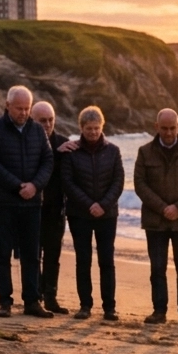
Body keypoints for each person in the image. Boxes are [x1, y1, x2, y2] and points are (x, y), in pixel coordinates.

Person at [0, 85, 55, 318]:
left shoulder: (37, 131)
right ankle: (4, 301)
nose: (23, 113)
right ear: (7, 105)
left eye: (27, 108)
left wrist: (34, 185)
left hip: (32, 202)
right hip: (3, 202)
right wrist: (18, 186)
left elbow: (48, 160)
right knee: (3, 252)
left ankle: (32, 301)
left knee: (32, 254)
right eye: (19, 108)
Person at [133, 108, 178, 326]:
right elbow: (140, 185)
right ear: (156, 127)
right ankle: (159, 311)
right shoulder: (145, 152)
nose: (169, 133)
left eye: (172, 128)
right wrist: (163, 208)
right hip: (156, 221)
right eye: (164, 128)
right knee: (157, 269)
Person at [61, 106, 124, 321]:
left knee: (107, 260)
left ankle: (109, 308)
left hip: (107, 215)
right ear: (81, 128)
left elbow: (118, 182)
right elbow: (68, 183)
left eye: (97, 128)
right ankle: (85, 305)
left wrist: (103, 205)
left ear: (102, 127)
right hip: (80, 214)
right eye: (89, 128)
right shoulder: (72, 151)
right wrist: (90, 205)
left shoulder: (113, 151)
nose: (93, 132)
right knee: (83, 260)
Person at [30, 100, 73, 315]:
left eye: (50, 120)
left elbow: (72, 178)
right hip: (31, 208)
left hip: (56, 209)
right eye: (42, 120)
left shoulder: (65, 143)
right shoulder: (28, 141)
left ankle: (51, 297)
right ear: (32, 119)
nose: (47, 124)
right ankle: (34, 295)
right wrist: (56, 152)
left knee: (53, 255)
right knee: (32, 254)